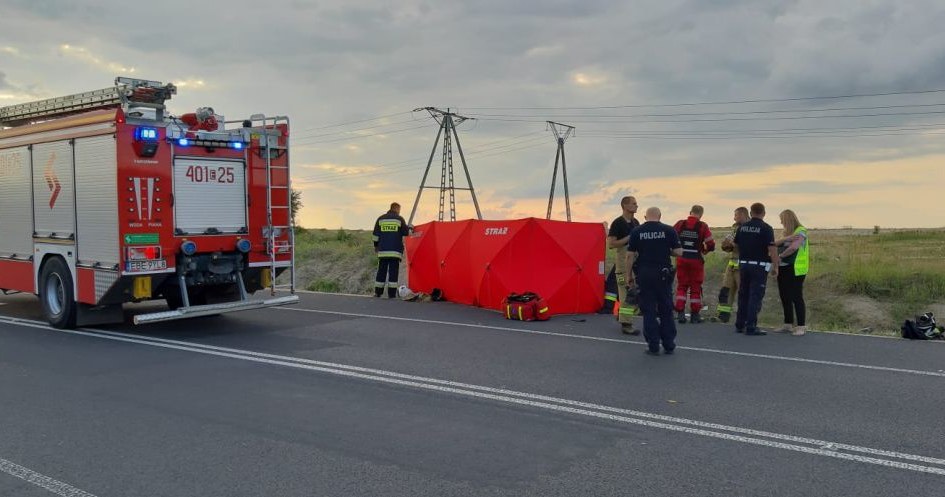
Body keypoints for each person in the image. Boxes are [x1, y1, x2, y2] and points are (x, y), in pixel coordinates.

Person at [627, 207, 683, 355]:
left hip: (644, 274)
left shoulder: (637, 231)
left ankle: (653, 345)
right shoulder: (668, 230)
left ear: (645, 217)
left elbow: (630, 256)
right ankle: (669, 344)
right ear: (660, 216)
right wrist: (666, 250)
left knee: (649, 310)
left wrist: (629, 276)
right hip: (663, 274)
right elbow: (678, 252)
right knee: (666, 309)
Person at [733, 202, 779, 336]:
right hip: (759, 266)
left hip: (743, 264)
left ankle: (739, 324)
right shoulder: (766, 228)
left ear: (751, 213)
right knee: (755, 295)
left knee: (743, 294)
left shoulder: (742, 228)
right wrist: (775, 266)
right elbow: (772, 248)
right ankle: (751, 325)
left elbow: (735, 245)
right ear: (764, 213)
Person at [673, 205, 715, 324]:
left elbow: (671, 237)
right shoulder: (703, 226)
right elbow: (710, 244)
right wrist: (705, 249)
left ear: (690, 212)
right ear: (701, 215)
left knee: (682, 286)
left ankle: (680, 313)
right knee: (695, 288)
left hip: (681, 258)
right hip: (696, 259)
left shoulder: (680, 224)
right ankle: (695, 315)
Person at [607, 196, 641, 335]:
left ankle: (623, 315)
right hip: (622, 263)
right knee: (627, 293)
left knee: (636, 292)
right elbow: (611, 244)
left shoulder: (635, 222)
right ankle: (626, 324)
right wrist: (629, 237)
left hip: (635, 261)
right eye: (634, 204)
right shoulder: (617, 223)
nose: (636, 206)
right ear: (625, 205)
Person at [775, 209, 809, 336]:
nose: (781, 222)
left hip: (796, 269)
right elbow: (774, 243)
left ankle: (801, 326)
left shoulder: (801, 231)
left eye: (782, 219)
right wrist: (787, 238)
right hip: (783, 267)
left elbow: (794, 247)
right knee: (784, 295)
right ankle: (787, 324)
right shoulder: (786, 233)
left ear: (788, 219)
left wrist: (781, 256)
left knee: (796, 296)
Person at [715, 207, 750, 323]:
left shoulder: (749, 227)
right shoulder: (734, 227)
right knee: (726, 291)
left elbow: (745, 246)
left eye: (736, 215)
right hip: (731, 264)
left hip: (743, 266)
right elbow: (727, 247)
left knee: (743, 292)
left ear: (742, 215)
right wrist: (726, 244)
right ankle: (723, 315)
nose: (734, 218)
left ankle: (744, 318)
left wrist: (733, 244)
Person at [372, 202, 411, 298]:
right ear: (397, 209)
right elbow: (406, 233)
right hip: (395, 252)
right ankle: (391, 294)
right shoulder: (399, 219)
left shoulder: (380, 219)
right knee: (393, 273)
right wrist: (410, 227)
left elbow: (375, 236)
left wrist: (376, 246)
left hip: (383, 251)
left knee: (381, 272)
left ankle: (378, 292)